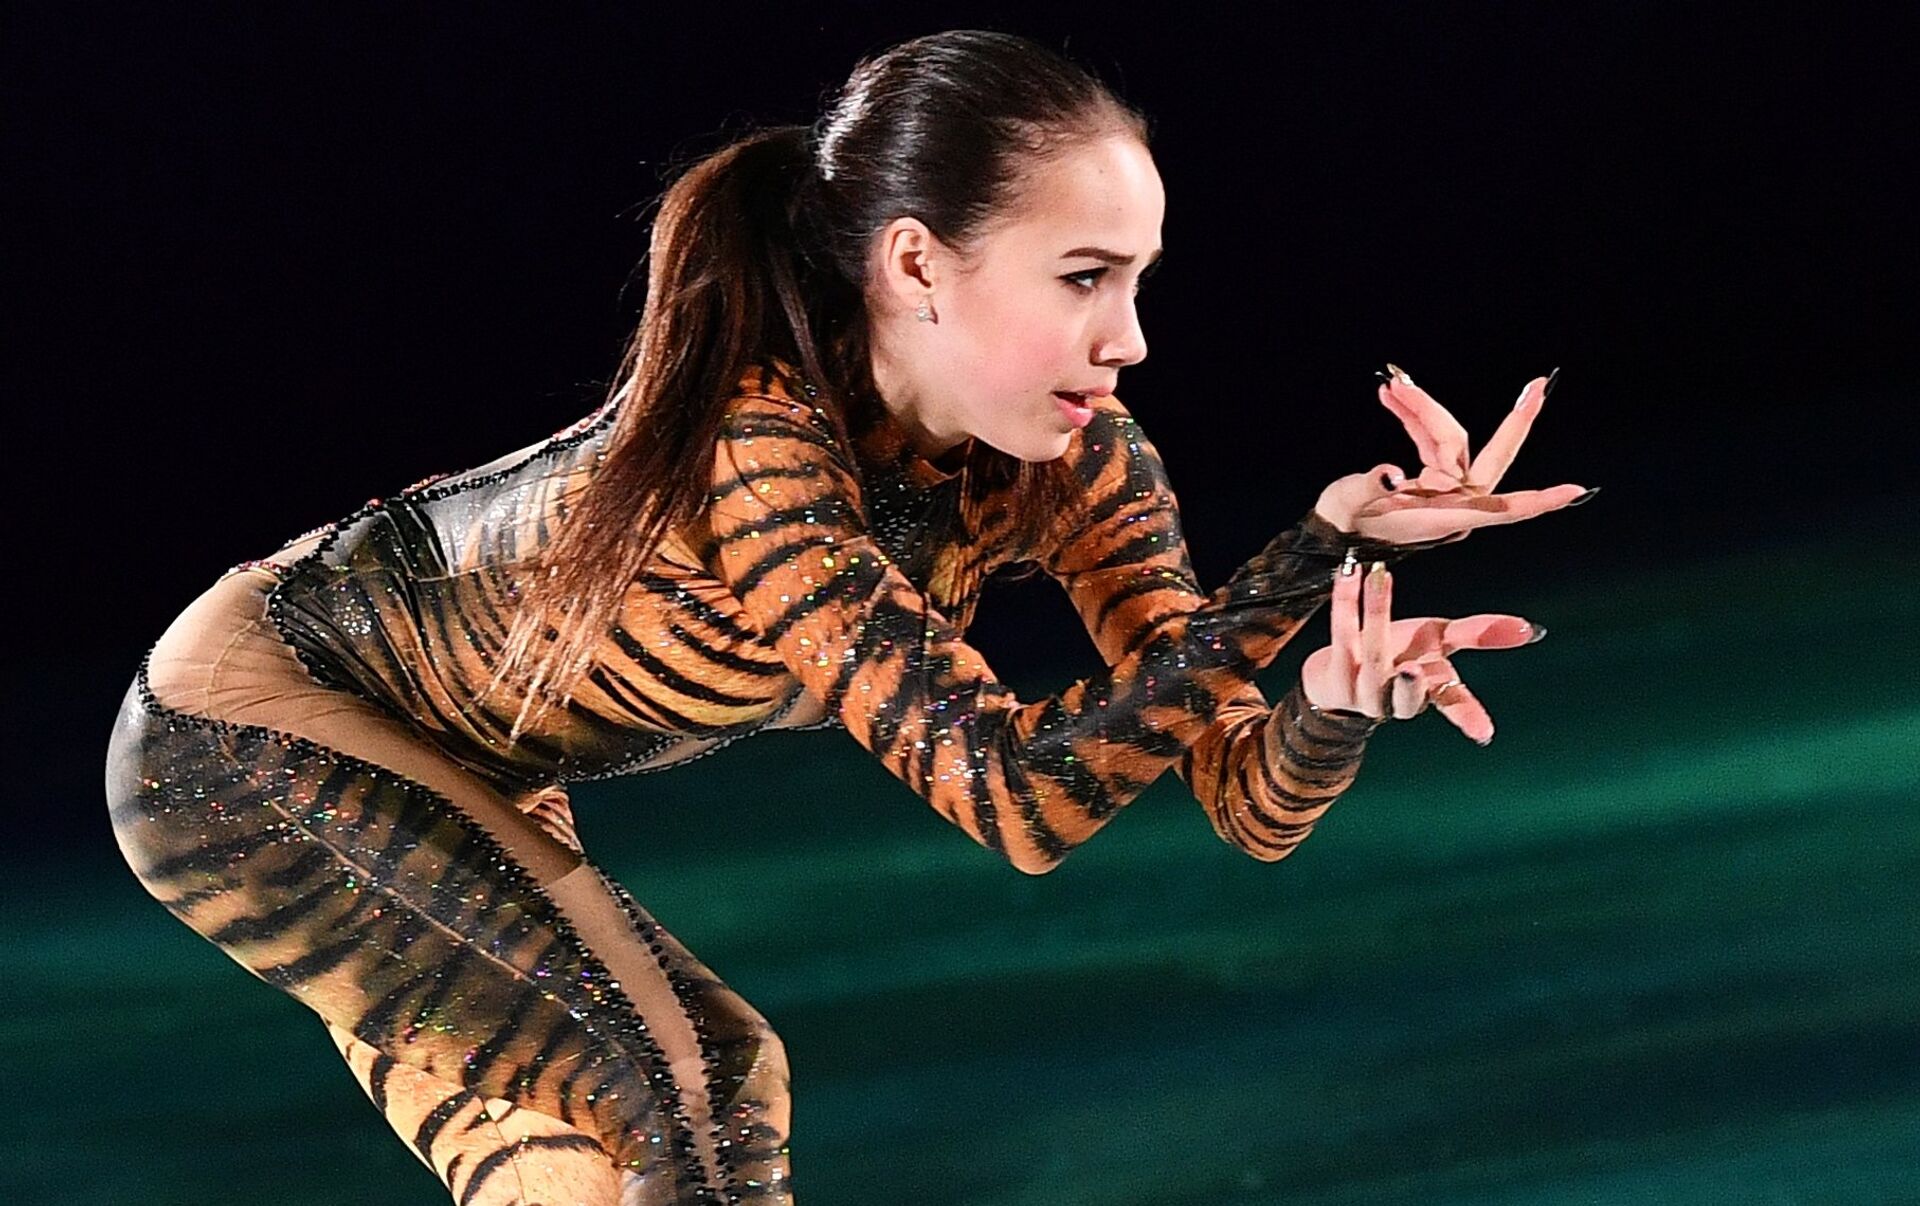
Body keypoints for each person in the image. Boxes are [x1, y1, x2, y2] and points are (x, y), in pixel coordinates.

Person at [103, 28, 1591, 1206]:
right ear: (917, 263)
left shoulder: (1083, 458)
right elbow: (1015, 799)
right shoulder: (762, 447)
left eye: (1138, 281)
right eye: (1084, 278)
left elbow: (1241, 798)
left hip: (467, 778)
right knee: (698, 1084)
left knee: (602, 1163)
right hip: (247, 737)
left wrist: (1329, 696)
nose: (1129, 338)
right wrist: (1305, 553)